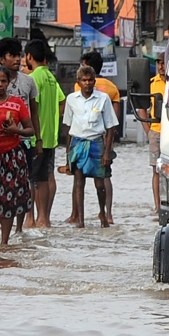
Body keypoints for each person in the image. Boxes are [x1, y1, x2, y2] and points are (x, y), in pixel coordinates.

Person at [0, 67, 34, 245]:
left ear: (9, 83)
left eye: (3, 81)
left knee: (8, 200)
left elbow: (30, 130)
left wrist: (15, 130)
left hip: (11, 157)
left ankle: (4, 242)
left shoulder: (17, 103)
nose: (0, 84)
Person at [62, 65, 117, 228]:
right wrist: (68, 154)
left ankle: (102, 213)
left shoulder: (103, 98)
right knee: (79, 182)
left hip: (96, 143)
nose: (87, 83)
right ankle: (81, 220)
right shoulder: (71, 99)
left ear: (94, 81)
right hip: (78, 143)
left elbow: (111, 127)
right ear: (78, 82)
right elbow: (68, 127)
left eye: (90, 80)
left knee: (100, 184)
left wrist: (107, 152)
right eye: (84, 80)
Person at [24, 39, 64, 229]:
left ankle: (31, 218)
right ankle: (44, 219)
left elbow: (33, 108)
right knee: (45, 177)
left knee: (31, 179)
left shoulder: (33, 78)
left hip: (36, 136)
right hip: (51, 136)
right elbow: (62, 101)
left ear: (29, 56)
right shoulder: (50, 77)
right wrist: (53, 118)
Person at [134, 55, 169, 213]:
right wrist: (148, 131)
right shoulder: (151, 84)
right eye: (158, 63)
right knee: (156, 170)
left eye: (164, 63)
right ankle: (157, 206)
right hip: (156, 131)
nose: (161, 66)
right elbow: (142, 107)